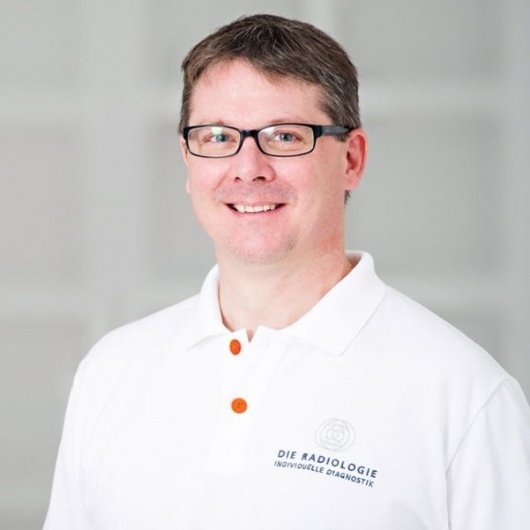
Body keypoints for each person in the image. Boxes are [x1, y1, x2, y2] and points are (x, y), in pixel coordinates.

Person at [44, 13, 530, 530]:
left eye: (284, 136)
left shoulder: (464, 394)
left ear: (352, 160)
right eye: (217, 136)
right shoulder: (112, 371)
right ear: (188, 159)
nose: (248, 167)